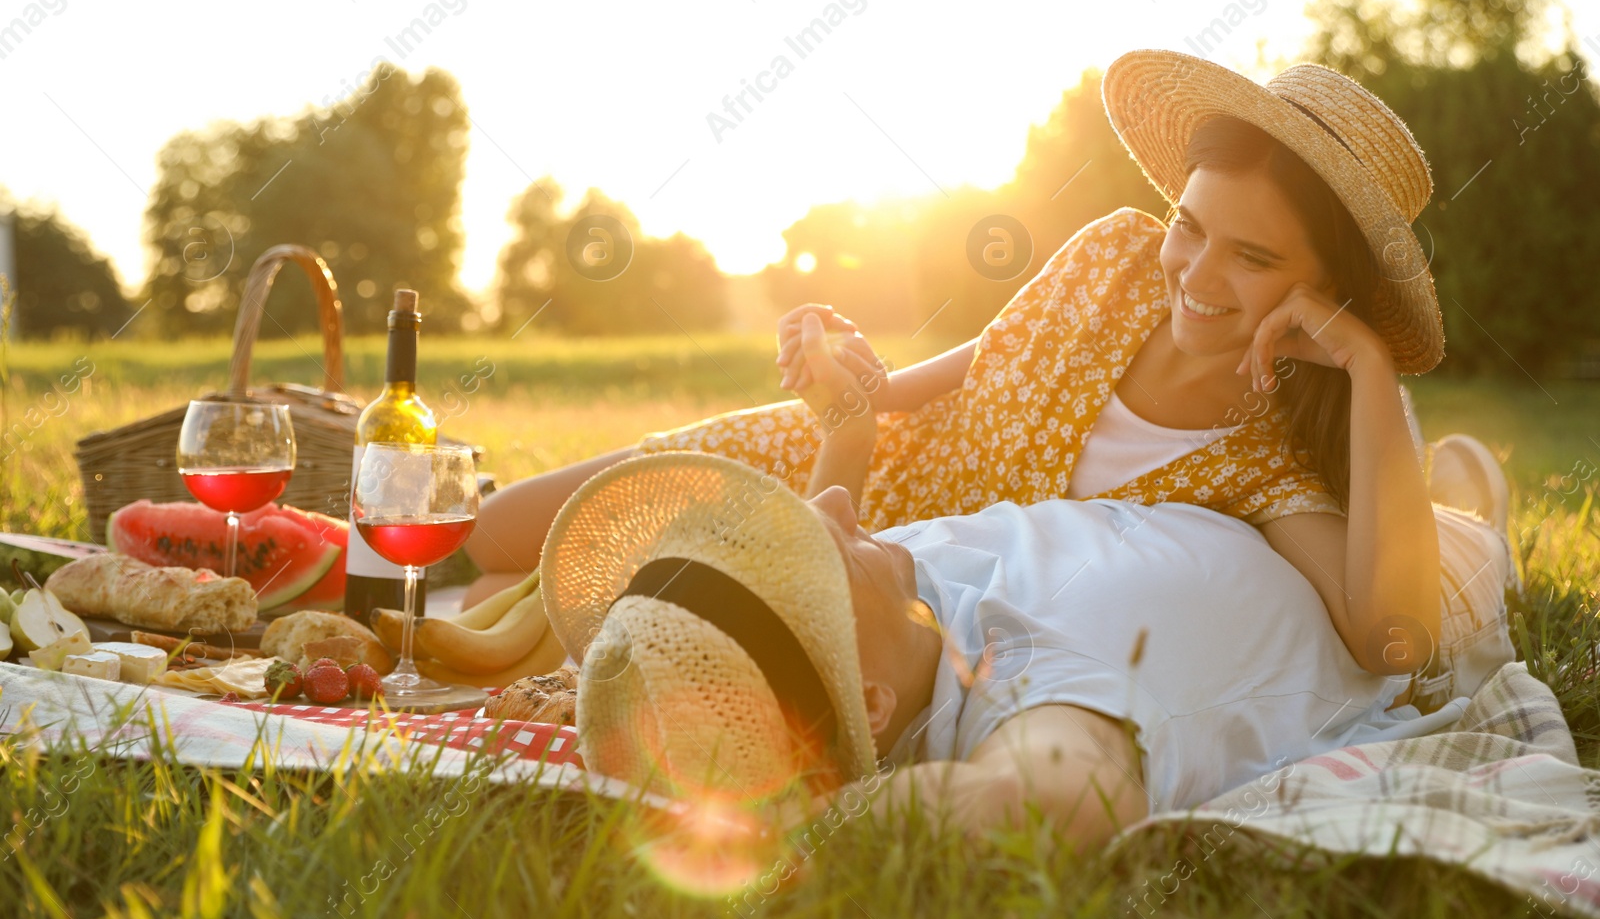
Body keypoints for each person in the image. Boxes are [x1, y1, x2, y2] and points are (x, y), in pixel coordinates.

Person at [469, 49, 1515, 710]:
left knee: (626, 631)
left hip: (879, 574)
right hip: (831, 460)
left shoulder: (1261, 460)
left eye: (1252, 258)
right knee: (499, 529)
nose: (1194, 275)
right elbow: (951, 375)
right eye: (1190, 227)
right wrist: (850, 377)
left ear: (1326, 292)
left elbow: (1396, 638)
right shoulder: (1111, 254)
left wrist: (1372, 373)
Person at [540, 451, 1473, 848]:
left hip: (1257, 519)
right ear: (867, 706)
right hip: (1405, 579)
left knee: (1446, 507)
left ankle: (1461, 495)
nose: (835, 503)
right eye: (825, 555)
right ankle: (1472, 506)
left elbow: (707, 660)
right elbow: (1059, 801)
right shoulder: (1027, 673)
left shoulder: (897, 597)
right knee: (1471, 539)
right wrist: (782, 826)